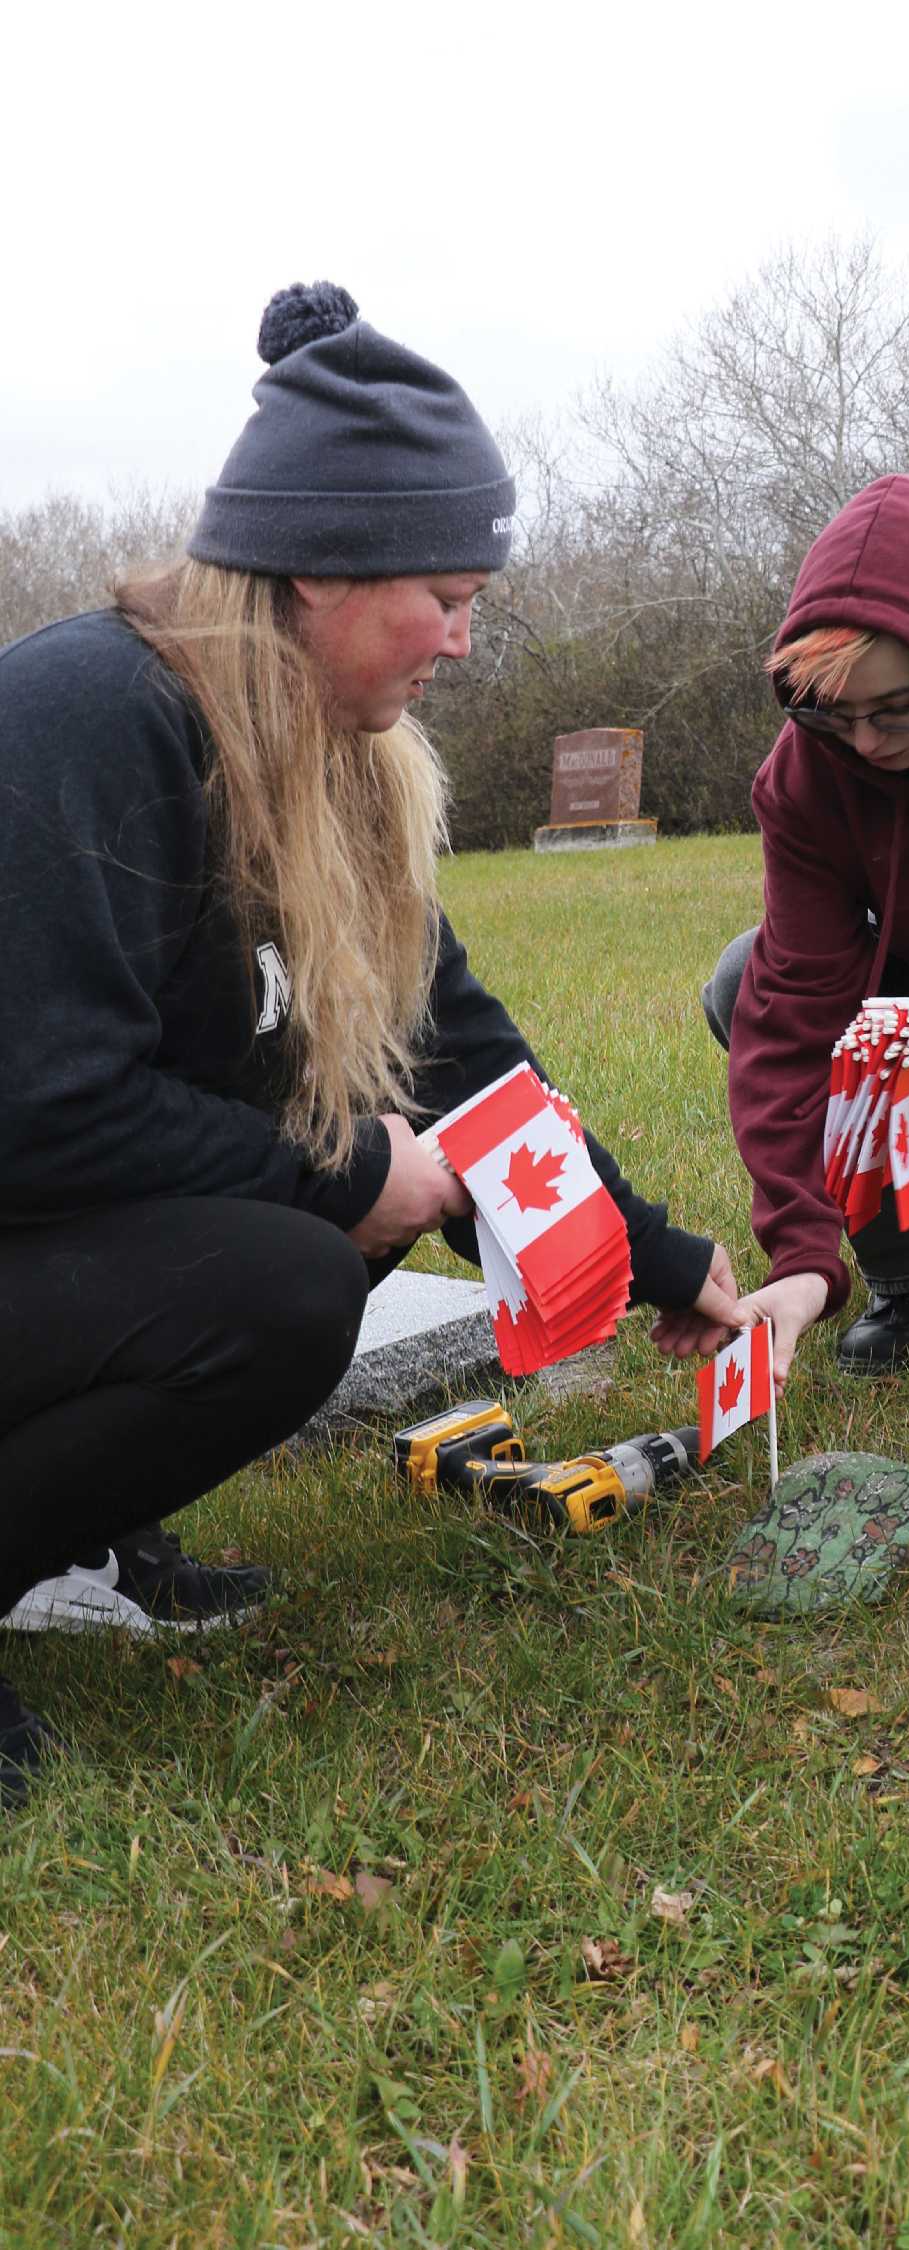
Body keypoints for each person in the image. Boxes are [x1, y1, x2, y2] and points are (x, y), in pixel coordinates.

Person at [0, 282, 743, 1808]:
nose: (465, 641)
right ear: (323, 574)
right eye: (446, 597)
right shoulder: (90, 716)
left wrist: (662, 1255)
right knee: (295, 1266)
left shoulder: (331, 769)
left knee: (334, 1232)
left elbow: (458, 1050)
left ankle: (81, 1536)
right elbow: (37, 1108)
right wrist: (349, 1169)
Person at [701, 474, 909, 1383]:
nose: (864, 743)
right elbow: (792, 1007)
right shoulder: (806, 774)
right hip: (902, 960)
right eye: (835, 713)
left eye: (898, 708)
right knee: (740, 983)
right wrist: (801, 1261)